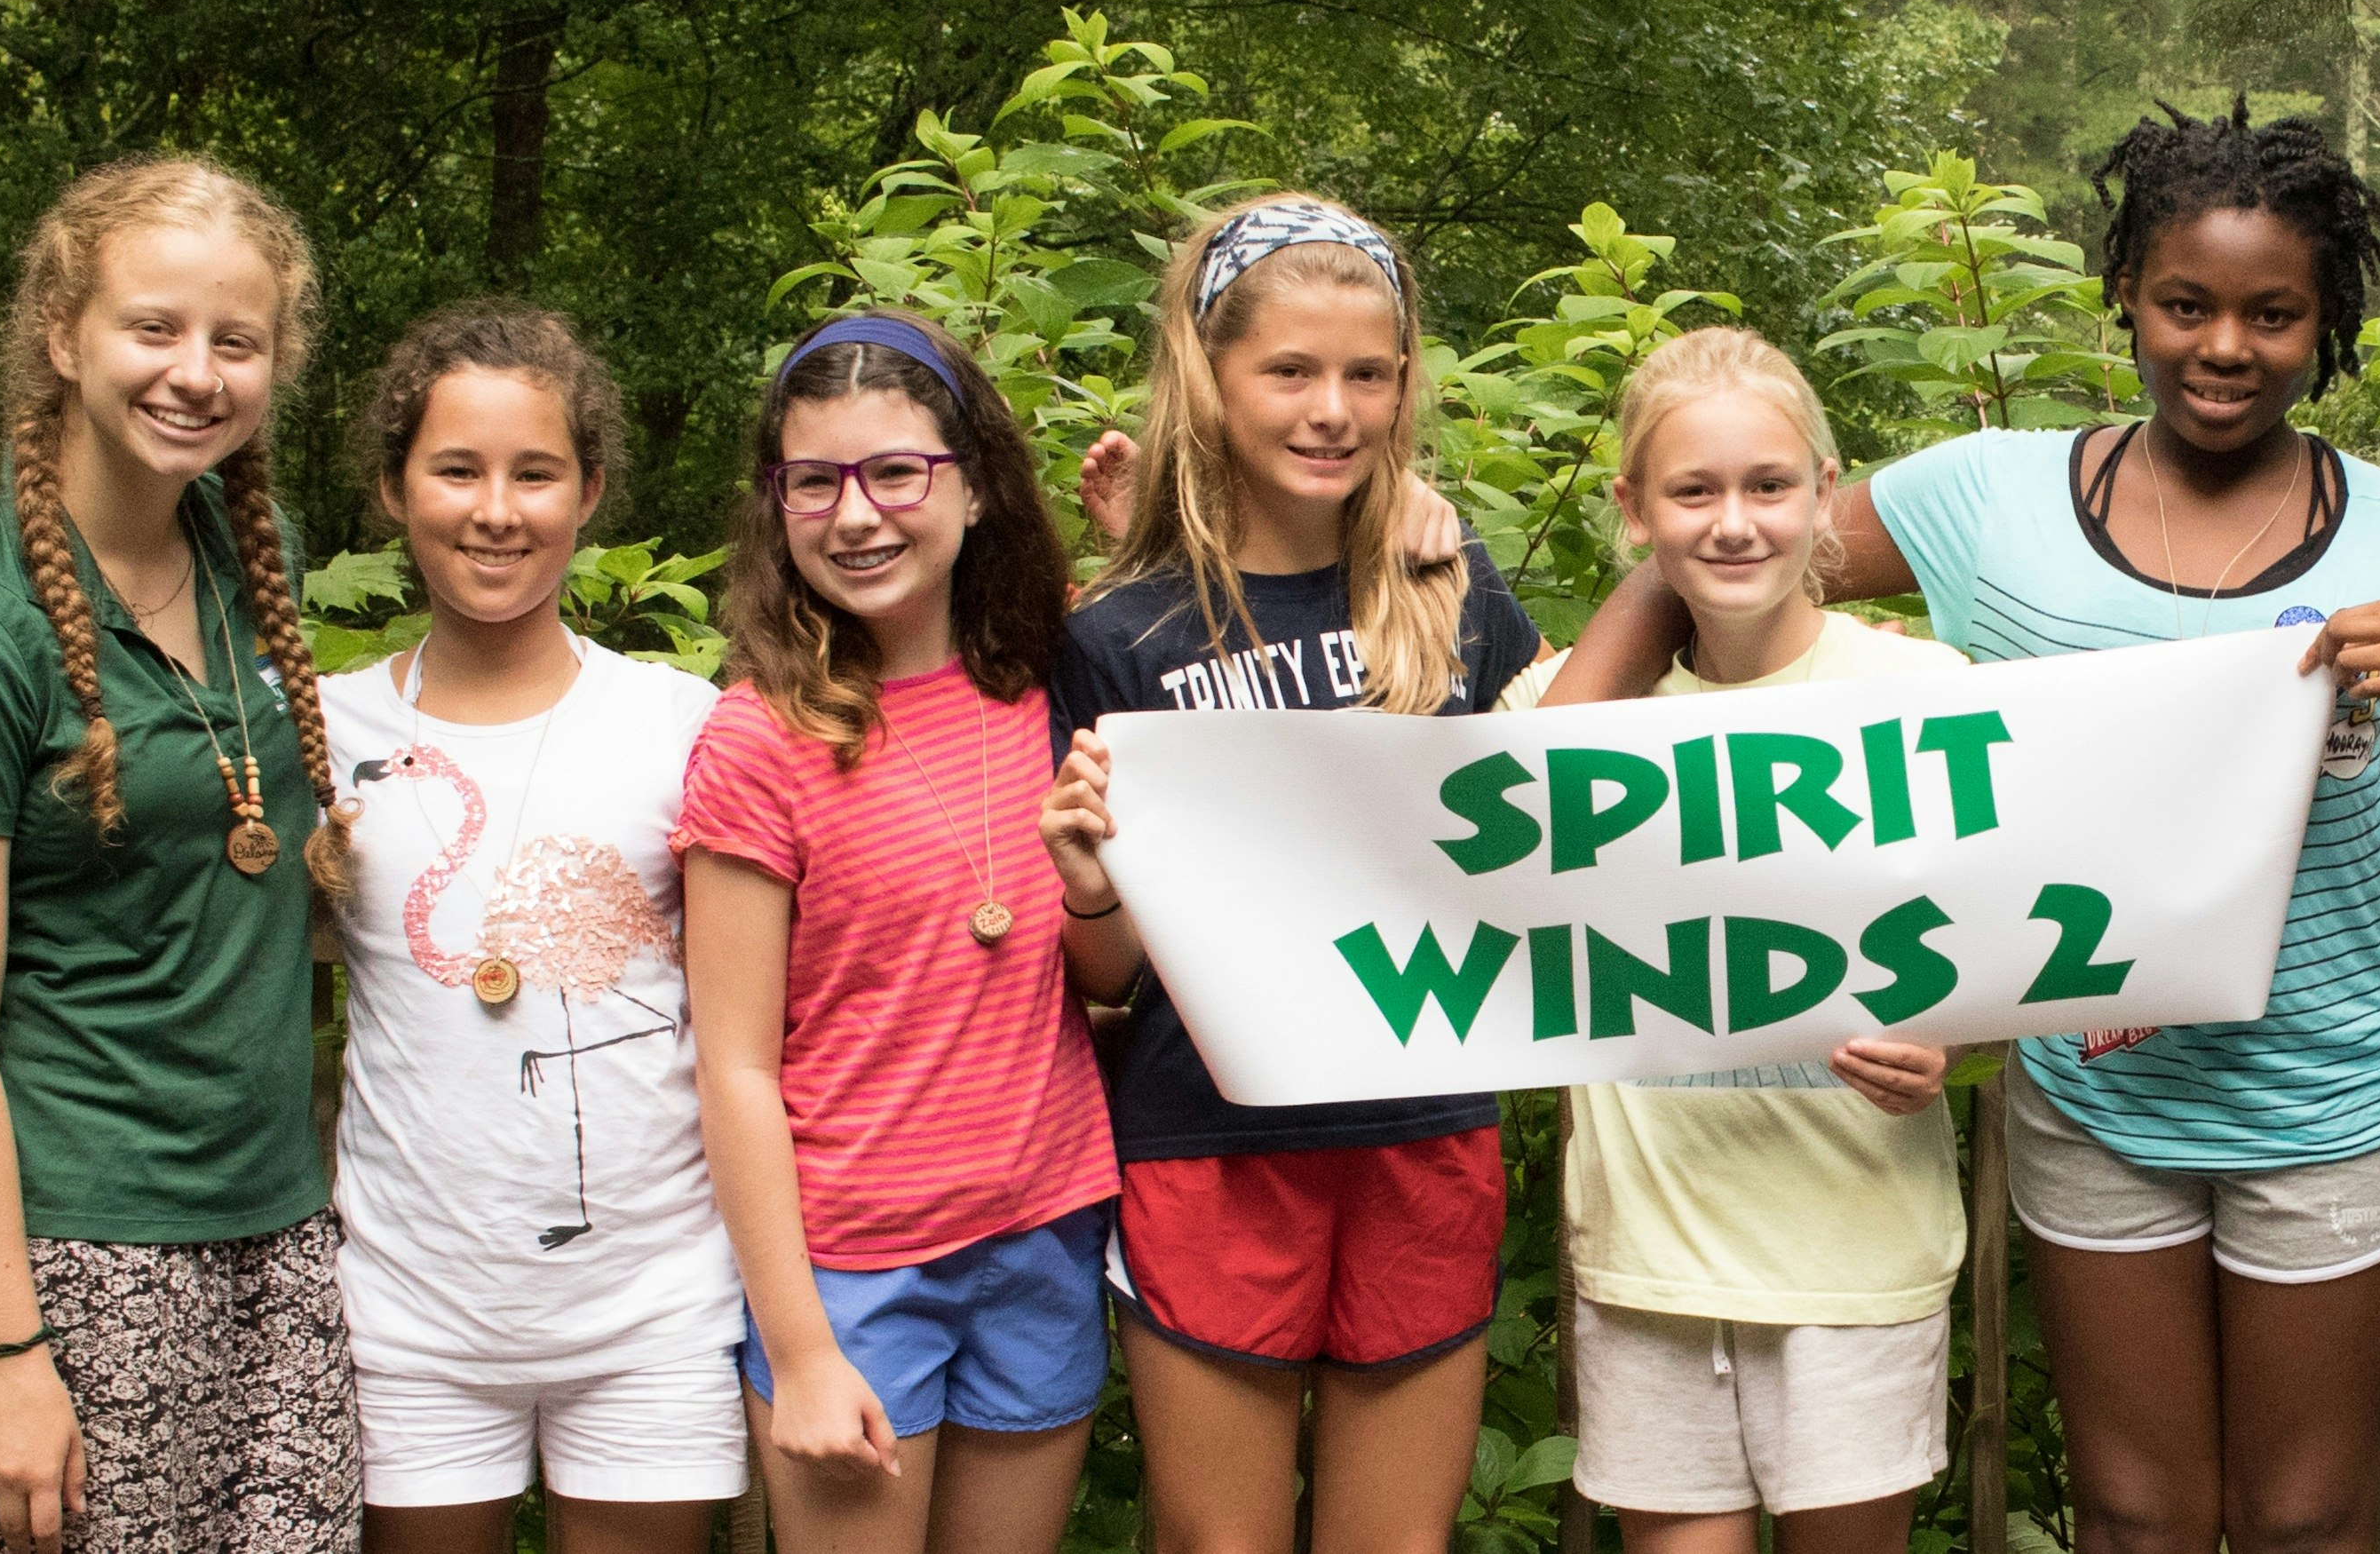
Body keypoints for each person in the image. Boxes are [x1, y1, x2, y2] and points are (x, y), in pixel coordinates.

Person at [1541, 106, 2380, 1554]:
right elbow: (1732, 549)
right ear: (2126, 294)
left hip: (2328, 1084)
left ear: (2326, 327)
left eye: (2273, 314)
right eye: (2185, 304)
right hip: (2092, 1087)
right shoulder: (1986, 499)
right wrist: (1570, 747)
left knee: (2307, 1516)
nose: (2223, 346)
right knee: (2132, 1511)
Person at [0, 155, 362, 1554]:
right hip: (81, 1243)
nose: (194, 372)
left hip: (276, 1215)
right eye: (154, 328)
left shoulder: (244, 546)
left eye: (236, 340)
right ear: (61, 336)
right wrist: (5, 1355)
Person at [1049, 193, 1544, 1554]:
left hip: (1423, 1126)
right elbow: (1101, 965)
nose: (1333, 409)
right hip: (1207, 1139)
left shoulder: (1451, 592)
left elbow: (1568, 828)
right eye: (1289, 371)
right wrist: (1092, 881)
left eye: (1367, 374)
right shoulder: (1118, 633)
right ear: (1209, 381)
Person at [1483, 328, 1967, 1554]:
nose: (1734, 521)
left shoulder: (1925, 694)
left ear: (1824, 490)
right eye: (1692, 490)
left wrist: (1949, 1046)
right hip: (1650, 1263)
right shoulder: (1557, 712)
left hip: (1854, 1257)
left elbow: (2002, 954)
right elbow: (1451, 852)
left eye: (1768, 486)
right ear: (1631, 510)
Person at [678, 310, 1116, 1553]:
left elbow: (1106, 972)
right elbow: (735, 1066)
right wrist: (802, 1349)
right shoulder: (761, 739)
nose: (856, 514)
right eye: (813, 483)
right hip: (854, 1270)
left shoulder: (1049, 684)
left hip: (1040, 1232)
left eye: (894, 472)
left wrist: (1090, 891)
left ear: (972, 488)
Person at [316, 305, 742, 1553]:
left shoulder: (676, 718)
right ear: (396, 489)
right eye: (456, 469)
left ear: (588, 490)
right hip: (410, 1312)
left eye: (534, 473)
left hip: (648, 1308)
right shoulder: (333, 731)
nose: (494, 509)